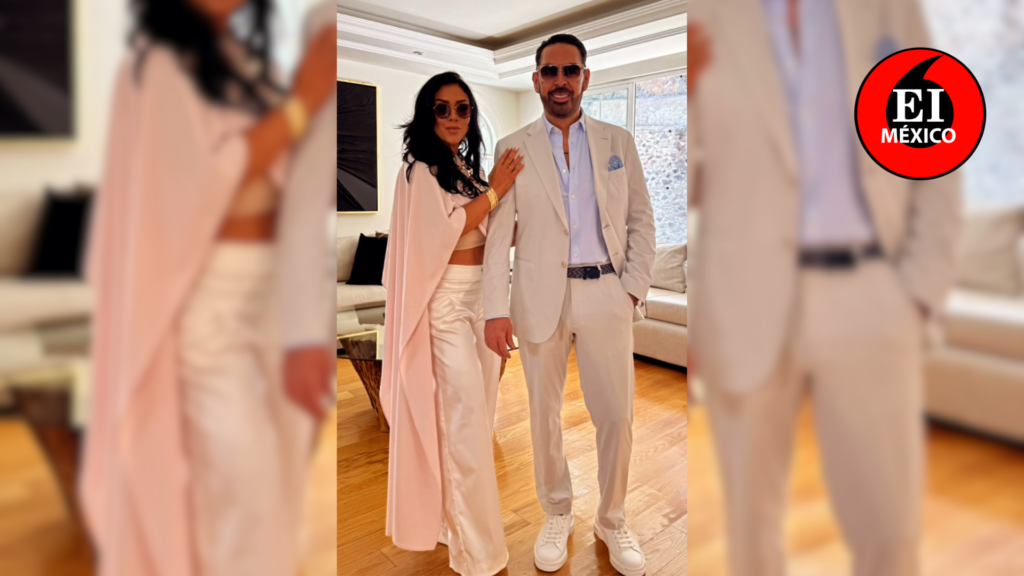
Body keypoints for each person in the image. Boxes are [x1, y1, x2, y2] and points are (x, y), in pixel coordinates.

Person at [687, 0, 961, 574]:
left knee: (890, 528)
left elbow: (937, 148)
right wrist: (687, 93)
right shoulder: (706, 16)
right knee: (751, 532)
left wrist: (919, 290)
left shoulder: (889, 10)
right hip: (742, 298)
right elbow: (690, 190)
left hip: (870, 289)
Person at [79, 1, 337, 575]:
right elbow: (198, 182)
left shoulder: (246, 63)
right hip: (208, 298)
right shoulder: (158, 64)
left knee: (274, 486)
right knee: (247, 483)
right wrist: (302, 104)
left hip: (271, 293)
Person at [482, 34, 657, 576]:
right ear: (536, 79)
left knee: (617, 415)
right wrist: (494, 308)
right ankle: (557, 511)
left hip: (607, 290)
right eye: (551, 71)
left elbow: (641, 219)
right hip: (539, 295)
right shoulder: (512, 146)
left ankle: (612, 517)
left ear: (585, 77)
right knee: (544, 415)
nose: (561, 81)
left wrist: (632, 288)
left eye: (571, 71)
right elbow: (498, 236)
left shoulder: (617, 141)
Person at [379, 71, 525, 576]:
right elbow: (442, 235)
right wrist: (497, 192)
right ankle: (479, 554)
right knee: (462, 425)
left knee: (478, 418)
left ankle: (451, 522)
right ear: (428, 113)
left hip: (482, 298)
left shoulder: (465, 169)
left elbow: (486, 233)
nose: (453, 117)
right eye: (442, 108)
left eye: (462, 108)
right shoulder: (419, 170)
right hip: (444, 305)